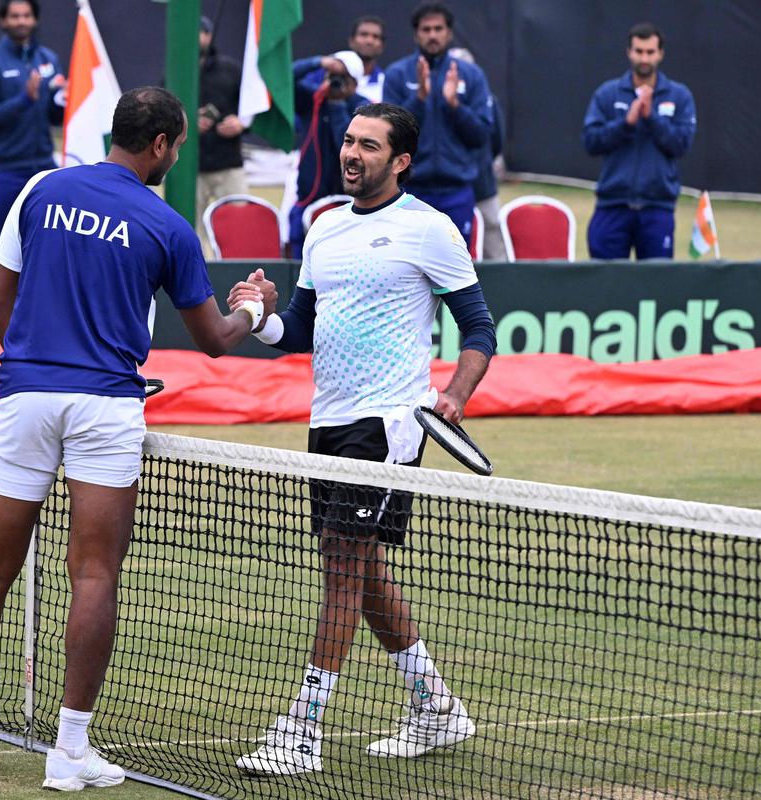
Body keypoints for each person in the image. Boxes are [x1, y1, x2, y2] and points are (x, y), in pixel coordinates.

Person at [0, 86, 272, 791]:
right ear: (159, 146)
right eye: (177, 147)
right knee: (93, 575)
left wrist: (30, 363)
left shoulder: (40, 189)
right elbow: (213, 339)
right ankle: (68, 754)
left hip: (23, 398)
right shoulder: (167, 225)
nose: (176, 157)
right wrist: (250, 308)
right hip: (104, 408)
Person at [232, 103, 496, 775]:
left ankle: (303, 731)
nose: (351, 153)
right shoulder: (323, 228)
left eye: (368, 146)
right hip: (328, 420)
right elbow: (297, 328)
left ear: (400, 160)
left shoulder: (430, 230)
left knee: (342, 566)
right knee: (361, 565)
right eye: (349, 141)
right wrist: (259, 317)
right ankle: (437, 706)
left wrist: (455, 396)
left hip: (389, 425)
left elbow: (478, 329)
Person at [382, 2, 494, 248]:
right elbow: (388, 135)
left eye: (438, 29)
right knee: (407, 264)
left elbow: (482, 135)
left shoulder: (471, 75)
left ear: (449, 33)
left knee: (454, 267)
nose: (432, 35)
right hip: (409, 190)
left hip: (456, 191)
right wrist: (419, 99)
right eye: (426, 29)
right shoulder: (398, 74)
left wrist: (455, 106)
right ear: (416, 34)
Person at [582, 22, 696, 260]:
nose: (644, 58)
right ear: (629, 52)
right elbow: (591, 142)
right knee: (606, 284)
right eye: (639, 51)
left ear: (660, 54)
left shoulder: (678, 95)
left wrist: (651, 117)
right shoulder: (608, 93)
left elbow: (681, 143)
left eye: (650, 52)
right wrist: (626, 122)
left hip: (657, 208)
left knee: (655, 286)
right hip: (613, 205)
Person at [0, 0, 66, 257]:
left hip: (44, 167)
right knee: (2, 248)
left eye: (26, 15)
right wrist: (24, 99)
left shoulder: (48, 59)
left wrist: (62, 101)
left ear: (35, 20)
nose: (21, 21)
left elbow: (54, 117)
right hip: (4, 169)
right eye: (15, 16)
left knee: (48, 244)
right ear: (3, 21)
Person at [287, 50, 366, 257]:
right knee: (300, 263)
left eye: (343, 78)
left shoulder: (365, 110)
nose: (335, 83)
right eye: (333, 76)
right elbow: (284, 78)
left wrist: (337, 106)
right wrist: (319, 61)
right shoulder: (314, 99)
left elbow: (348, 147)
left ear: (355, 84)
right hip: (308, 196)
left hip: (348, 202)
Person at [196, 15, 248, 245]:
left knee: (240, 223)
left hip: (228, 164)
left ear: (209, 35)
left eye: (201, 31)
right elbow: (163, 109)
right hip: (191, 168)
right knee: (190, 228)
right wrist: (186, 121)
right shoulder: (175, 72)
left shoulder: (231, 69)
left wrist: (241, 123)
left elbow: (251, 106)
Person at [449, 46, 505, 260]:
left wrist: (481, 164)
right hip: (447, 186)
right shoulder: (433, 100)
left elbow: (496, 139)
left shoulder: (487, 100)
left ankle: (503, 289)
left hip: (482, 185)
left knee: (493, 239)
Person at [349, 15, 386, 104]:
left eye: (375, 36)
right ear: (351, 41)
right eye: (364, 34)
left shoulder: (385, 82)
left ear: (382, 46)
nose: (369, 41)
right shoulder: (329, 74)